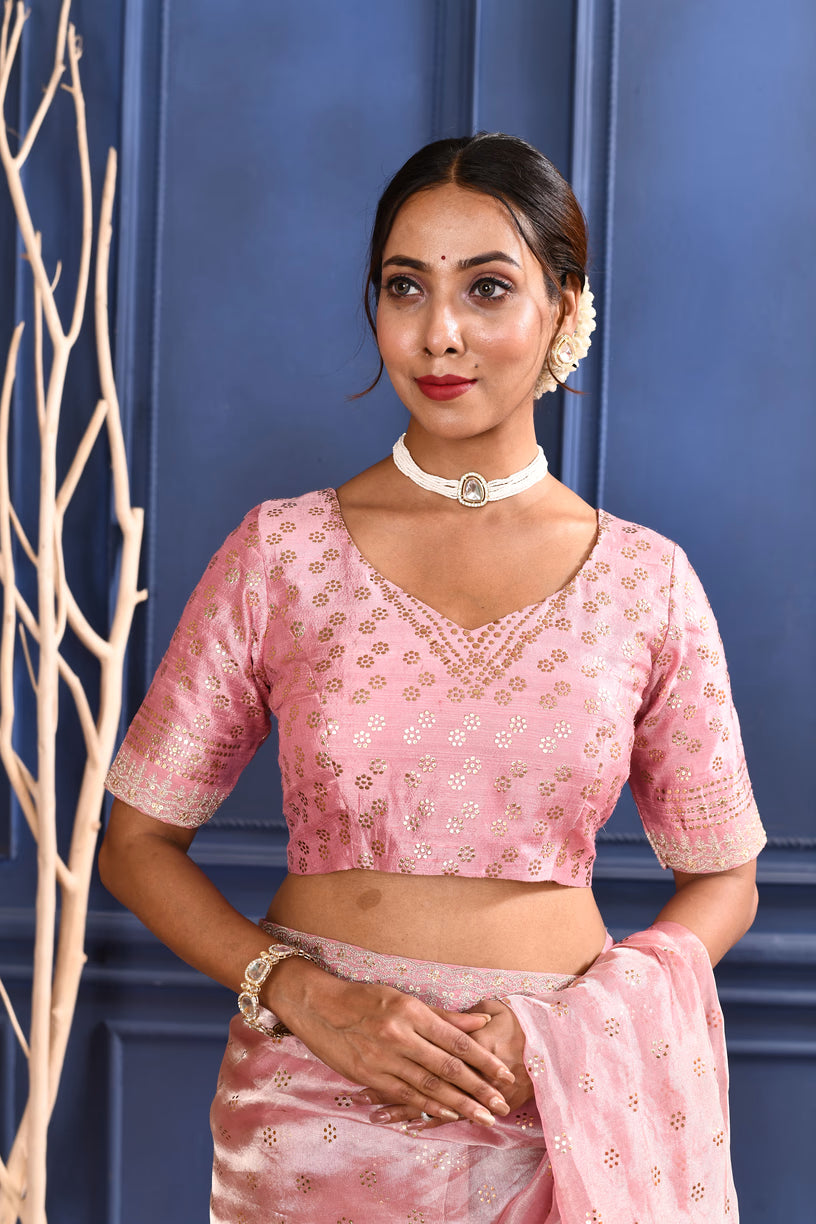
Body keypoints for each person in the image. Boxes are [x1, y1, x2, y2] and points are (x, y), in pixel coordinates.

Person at [99, 133, 766, 1223]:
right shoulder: (282, 556)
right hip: (317, 1104)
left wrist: (556, 1038)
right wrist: (302, 996)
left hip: (553, 1108)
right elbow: (135, 844)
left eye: (487, 289)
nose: (439, 333)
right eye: (405, 287)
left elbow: (727, 877)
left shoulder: (647, 584)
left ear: (563, 307)